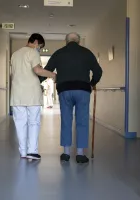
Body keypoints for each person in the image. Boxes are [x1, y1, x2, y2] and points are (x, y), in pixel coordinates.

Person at [41, 32, 102, 163]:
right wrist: (92, 84)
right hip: (82, 90)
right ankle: (80, 154)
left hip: (65, 90)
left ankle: (66, 153)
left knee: (66, 120)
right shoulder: (87, 52)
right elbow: (98, 71)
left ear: (66, 41)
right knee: (82, 121)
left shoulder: (59, 53)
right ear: (78, 41)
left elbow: (47, 70)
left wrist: (37, 80)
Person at [10, 33, 56, 160]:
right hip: (31, 94)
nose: (39, 49)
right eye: (39, 46)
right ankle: (32, 151)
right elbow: (37, 70)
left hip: (17, 94)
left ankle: (23, 152)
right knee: (34, 122)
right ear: (35, 42)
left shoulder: (15, 54)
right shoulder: (32, 52)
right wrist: (53, 75)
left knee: (20, 123)